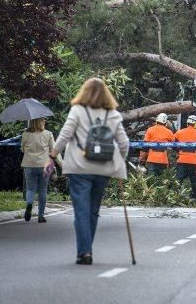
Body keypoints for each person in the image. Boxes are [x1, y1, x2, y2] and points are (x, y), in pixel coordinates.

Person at [47, 77, 129, 265]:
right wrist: (118, 162)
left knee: (81, 212)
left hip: (79, 167)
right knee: (93, 211)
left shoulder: (77, 110)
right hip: (103, 168)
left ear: (83, 91)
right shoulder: (113, 114)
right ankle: (86, 250)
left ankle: (85, 252)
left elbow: (64, 135)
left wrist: (52, 156)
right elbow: (124, 143)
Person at [20, 118, 56, 223]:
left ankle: (29, 205)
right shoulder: (48, 134)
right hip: (44, 165)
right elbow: (53, 149)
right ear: (41, 122)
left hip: (29, 164)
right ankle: (41, 216)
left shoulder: (25, 134)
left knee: (30, 189)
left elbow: (22, 149)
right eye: (43, 120)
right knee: (43, 190)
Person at [175, 115, 196, 201]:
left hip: (181, 160)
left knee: (178, 180)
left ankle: (175, 196)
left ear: (187, 123)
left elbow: (174, 144)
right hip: (193, 162)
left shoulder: (179, 132)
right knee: (194, 182)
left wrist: (179, 150)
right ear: (195, 123)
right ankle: (195, 198)